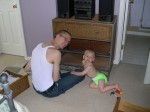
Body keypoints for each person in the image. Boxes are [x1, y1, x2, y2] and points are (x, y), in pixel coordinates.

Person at [25, 30, 85, 97]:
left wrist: (40, 71)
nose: (66, 43)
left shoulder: (38, 46)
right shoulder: (56, 53)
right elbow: (56, 79)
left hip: (35, 87)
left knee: (67, 71)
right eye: (65, 39)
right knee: (81, 72)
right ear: (57, 36)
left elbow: (27, 69)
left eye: (68, 42)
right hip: (49, 91)